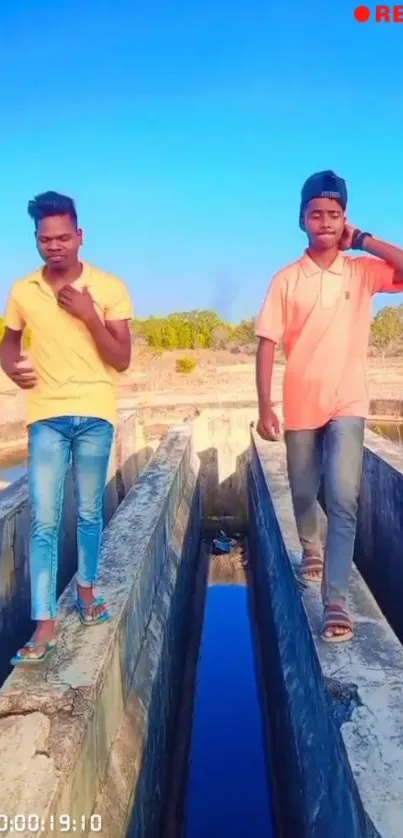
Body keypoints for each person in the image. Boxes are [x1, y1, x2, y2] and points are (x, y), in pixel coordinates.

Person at [255, 170, 403, 643]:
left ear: (344, 219)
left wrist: (364, 239)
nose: (325, 222)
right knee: (303, 493)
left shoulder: (361, 272)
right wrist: (265, 406)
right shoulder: (286, 279)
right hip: (300, 400)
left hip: (349, 401)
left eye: (334, 215)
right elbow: (266, 344)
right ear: (301, 220)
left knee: (343, 499)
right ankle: (309, 547)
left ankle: (334, 601)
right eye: (316, 214)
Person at [1, 191, 134, 666]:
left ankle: (87, 590)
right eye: (44, 239)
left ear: (79, 236)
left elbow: (121, 359)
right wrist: (11, 367)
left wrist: (88, 315)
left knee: (89, 512)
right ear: (36, 240)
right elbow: (8, 343)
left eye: (62, 237)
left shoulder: (109, 287)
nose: (54, 246)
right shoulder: (22, 291)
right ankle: (44, 623)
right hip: (46, 416)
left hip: (96, 412)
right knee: (44, 519)